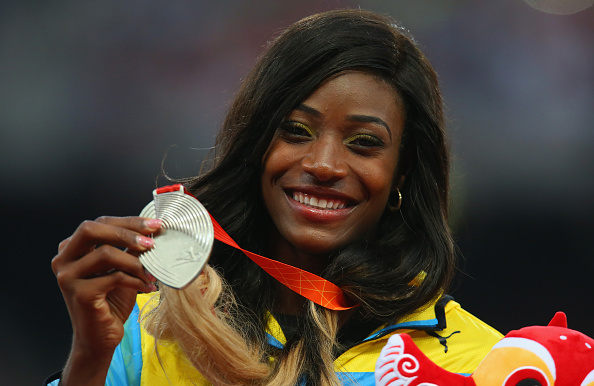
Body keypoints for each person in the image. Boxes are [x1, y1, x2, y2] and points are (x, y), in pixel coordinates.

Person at [47, 9, 502, 386]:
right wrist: (89, 356)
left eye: (364, 142)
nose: (324, 165)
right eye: (296, 131)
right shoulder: (146, 332)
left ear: (402, 170)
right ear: (257, 144)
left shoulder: (480, 364)